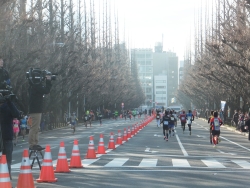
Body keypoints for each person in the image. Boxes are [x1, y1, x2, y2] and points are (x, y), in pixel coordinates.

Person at [28, 68, 52, 151]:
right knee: (34, 127)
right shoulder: (36, 86)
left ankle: (35, 143)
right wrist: (48, 81)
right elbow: (46, 90)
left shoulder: (33, 86)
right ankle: (32, 144)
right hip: (35, 110)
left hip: (36, 109)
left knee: (36, 128)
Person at [0, 93, 20, 179]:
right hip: (5, 136)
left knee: (7, 160)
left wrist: (10, 102)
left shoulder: (7, 107)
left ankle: (7, 178)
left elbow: (17, 114)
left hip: (7, 137)